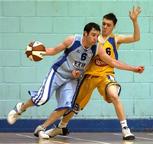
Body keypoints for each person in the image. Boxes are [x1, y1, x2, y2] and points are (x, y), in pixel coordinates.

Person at [7, 22, 143, 139]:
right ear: (85, 34)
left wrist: (133, 69)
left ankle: (41, 128)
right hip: (58, 73)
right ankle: (20, 108)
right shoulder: (72, 40)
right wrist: (39, 52)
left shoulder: (97, 49)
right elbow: (54, 50)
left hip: (72, 79)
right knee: (41, 99)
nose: (96, 38)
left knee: (66, 106)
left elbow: (113, 62)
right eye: (93, 35)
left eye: (97, 35)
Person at [45, 6, 143, 140]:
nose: (105, 27)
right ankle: (61, 126)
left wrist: (135, 21)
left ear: (113, 27)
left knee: (114, 95)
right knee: (74, 106)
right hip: (89, 76)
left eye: (108, 25)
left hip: (105, 75)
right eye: (103, 23)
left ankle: (125, 129)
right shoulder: (93, 39)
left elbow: (136, 38)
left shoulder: (115, 39)